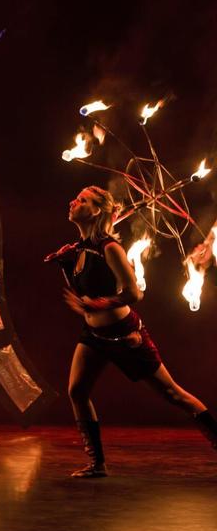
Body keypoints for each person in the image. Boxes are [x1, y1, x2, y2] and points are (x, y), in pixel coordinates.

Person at [46, 185, 217, 478]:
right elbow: (82, 294)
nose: (73, 201)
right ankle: (97, 464)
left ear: (96, 211)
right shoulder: (80, 249)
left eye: (83, 200)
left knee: (173, 394)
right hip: (94, 335)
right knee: (77, 391)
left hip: (125, 335)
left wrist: (101, 303)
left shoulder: (110, 248)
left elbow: (133, 293)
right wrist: (64, 264)